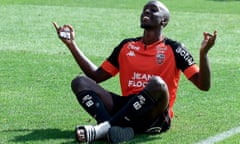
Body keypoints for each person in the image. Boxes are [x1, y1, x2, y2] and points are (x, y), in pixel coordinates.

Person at [53, 0, 217, 143]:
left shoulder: (175, 49)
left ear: (164, 21)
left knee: (157, 84)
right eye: (145, 9)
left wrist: (204, 54)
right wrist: (71, 44)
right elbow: (96, 76)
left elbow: (204, 85)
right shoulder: (126, 46)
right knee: (79, 82)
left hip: (155, 114)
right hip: (127, 109)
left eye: (153, 10)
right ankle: (111, 128)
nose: (146, 11)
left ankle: (101, 129)